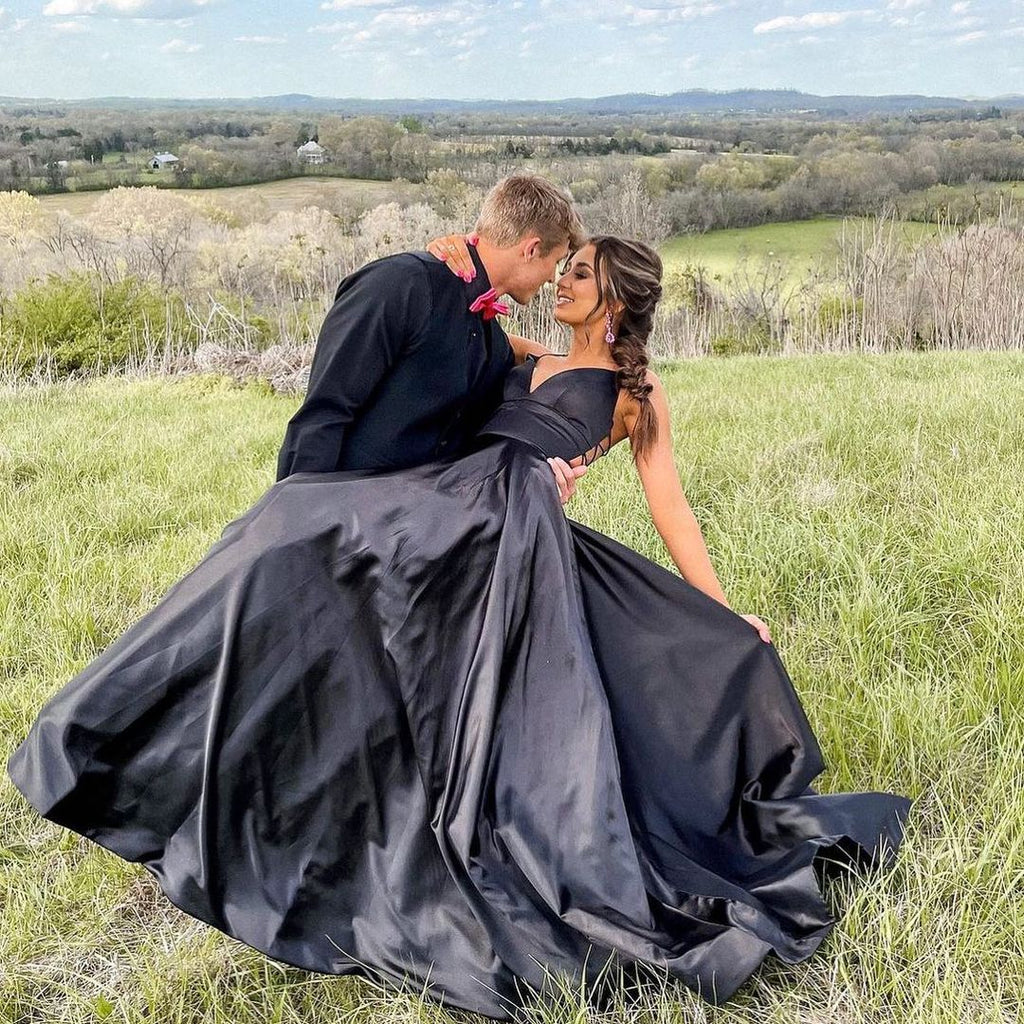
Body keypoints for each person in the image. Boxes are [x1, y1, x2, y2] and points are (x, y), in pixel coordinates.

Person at [7, 232, 911, 1019]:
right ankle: (139, 730)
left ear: (619, 298)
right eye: (563, 268)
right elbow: (457, 340)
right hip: (450, 517)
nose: (562, 284)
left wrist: (717, 608)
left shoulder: (638, 392)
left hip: (509, 540)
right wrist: (447, 269)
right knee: (291, 543)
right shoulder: (526, 351)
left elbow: (669, 503)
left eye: (582, 275)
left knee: (521, 711)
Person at [276, 172, 588, 504]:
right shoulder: (399, 286)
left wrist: (540, 475)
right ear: (532, 249)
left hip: (419, 534)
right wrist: (296, 524)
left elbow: (491, 441)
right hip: (347, 522)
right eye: (556, 263)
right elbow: (323, 414)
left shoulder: (490, 341)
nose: (554, 279)